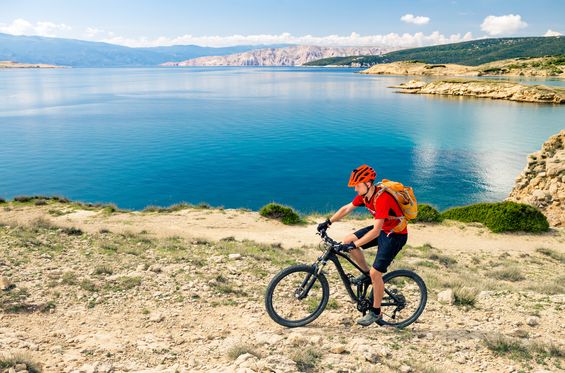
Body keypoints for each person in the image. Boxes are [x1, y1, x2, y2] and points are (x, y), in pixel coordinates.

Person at [317, 164, 408, 326]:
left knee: (376, 273)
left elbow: (375, 231)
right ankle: (366, 274)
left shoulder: (382, 198)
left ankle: (375, 312)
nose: (355, 189)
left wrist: (353, 245)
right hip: (383, 229)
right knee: (347, 240)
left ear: (367, 184)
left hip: (395, 235)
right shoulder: (365, 195)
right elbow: (346, 208)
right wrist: (328, 222)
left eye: (357, 186)